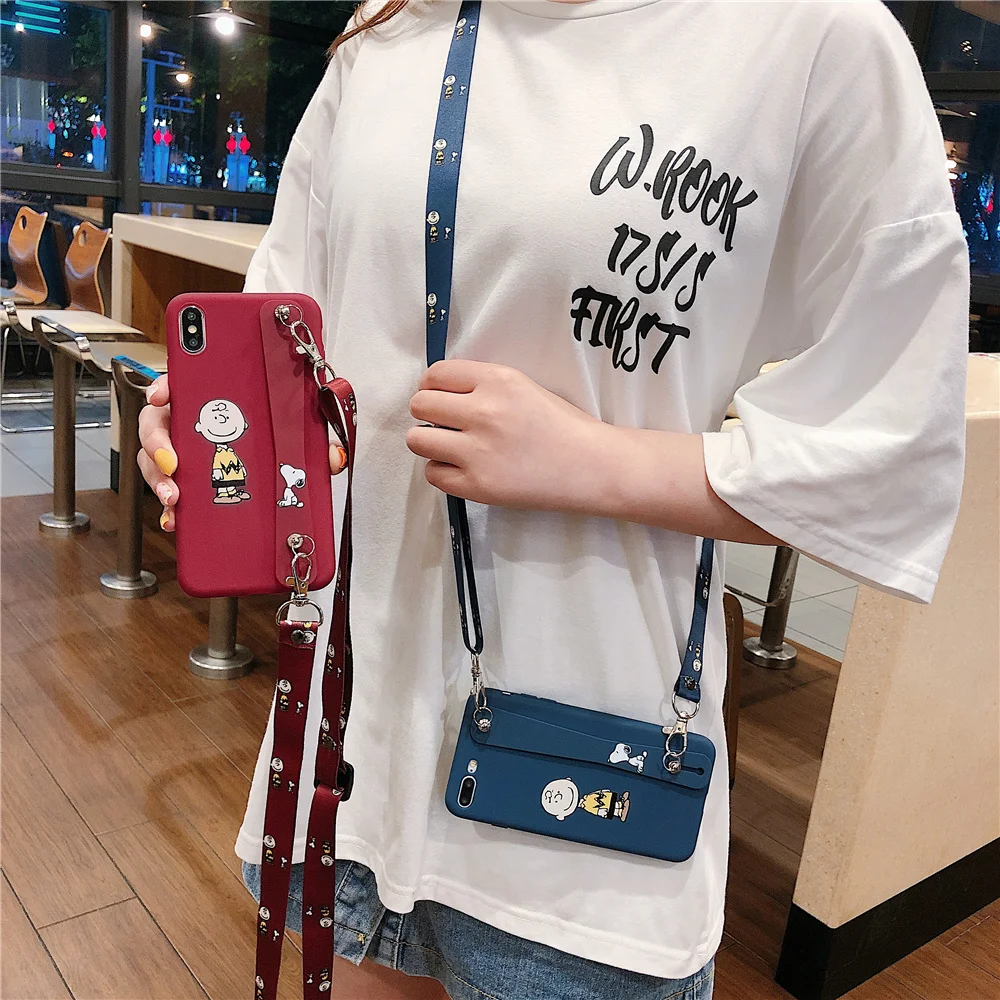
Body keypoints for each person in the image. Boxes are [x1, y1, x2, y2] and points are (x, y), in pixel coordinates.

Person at [137, 2, 970, 998]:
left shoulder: (809, 34)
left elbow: (884, 458)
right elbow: (295, 337)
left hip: (585, 820)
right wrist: (207, 427)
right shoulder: (387, 31)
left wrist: (591, 459)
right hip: (350, 764)